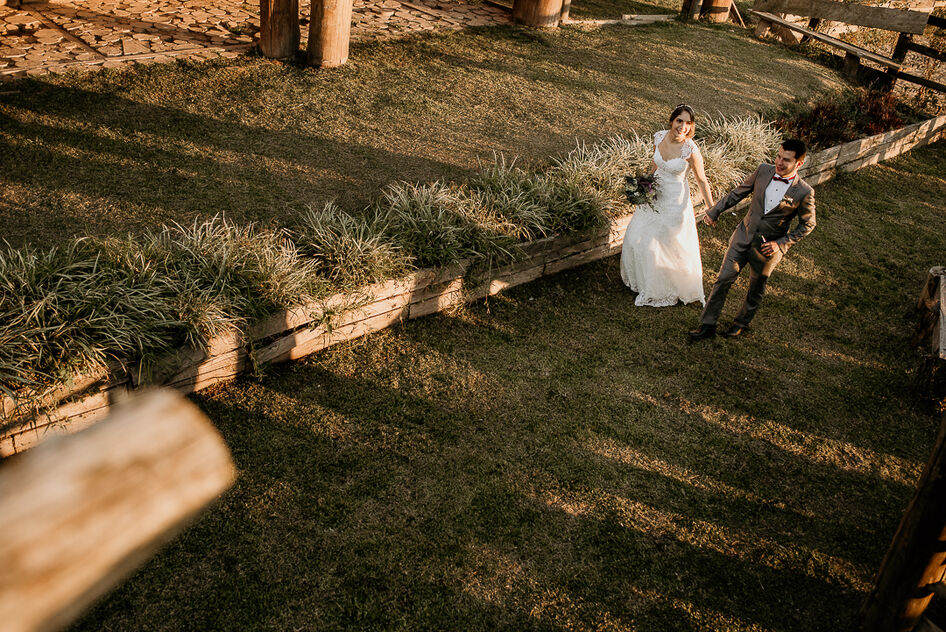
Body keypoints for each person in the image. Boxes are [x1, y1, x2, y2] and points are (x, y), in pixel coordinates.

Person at [688, 138, 816, 340]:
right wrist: (714, 212)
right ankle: (707, 324)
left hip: (767, 248)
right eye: (778, 156)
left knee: (756, 288)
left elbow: (808, 224)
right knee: (723, 279)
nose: (779, 163)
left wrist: (780, 244)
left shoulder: (804, 192)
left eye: (786, 160)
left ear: (799, 164)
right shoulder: (763, 170)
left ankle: (741, 323)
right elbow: (738, 193)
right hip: (742, 235)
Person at [620, 104, 715, 307]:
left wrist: (711, 208)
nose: (683, 126)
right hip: (654, 196)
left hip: (674, 201)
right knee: (636, 236)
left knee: (667, 245)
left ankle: (667, 286)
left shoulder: (691, 150)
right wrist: (643, 185)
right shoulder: (659, 137)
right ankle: (643, 280)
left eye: (688, 123)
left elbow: (702, 180)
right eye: (679, 120)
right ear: (672, 120)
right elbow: (655, 165)